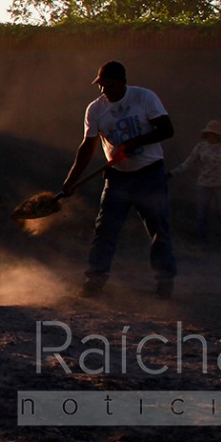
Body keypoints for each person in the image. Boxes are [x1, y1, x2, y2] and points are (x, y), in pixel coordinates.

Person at [62, 60, 177, 299]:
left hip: (150, 174)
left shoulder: (144, 98)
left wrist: (136, 142)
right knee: (105, 230)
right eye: (101, 85)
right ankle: (94, 280)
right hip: (117, 179)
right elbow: (88, 146)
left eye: (109, 85)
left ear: (123, 82)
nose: (104, 90)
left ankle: (165, 282)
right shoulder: (95, 109)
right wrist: (71, 179)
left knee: (159, 229)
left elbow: (167, 129)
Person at [170, 120, 221, 243]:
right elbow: (188, 163)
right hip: (204, 184)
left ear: (219, 135)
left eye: (213, 134)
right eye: (209, 133)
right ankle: (202, 241)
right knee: (201, 214)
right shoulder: (200, 147)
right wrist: (173, 173)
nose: (211, 136)